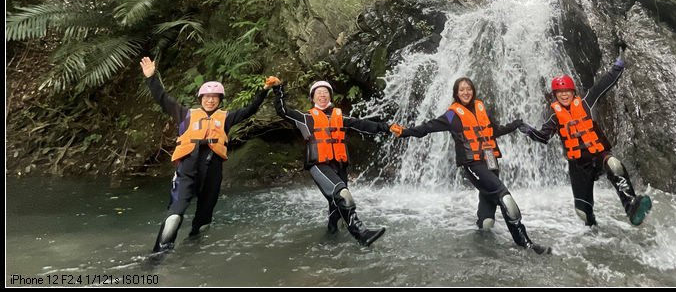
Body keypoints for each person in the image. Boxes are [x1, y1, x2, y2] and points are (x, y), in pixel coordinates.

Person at [391, 77, 551, 255]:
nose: (466, 92)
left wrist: (516, 125)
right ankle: (525, 244)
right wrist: (404, 132)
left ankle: (482, 227)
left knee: (487, 219)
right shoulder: (452, 114)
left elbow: (494, 131)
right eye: (462, 90)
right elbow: (429, 127)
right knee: (505, 198)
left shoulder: (480, 108)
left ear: (473, 91)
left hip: (490, 158)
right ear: (456, 93)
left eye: (468, 89)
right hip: (472, 163)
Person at [140, 56, 275, 252]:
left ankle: (194, 252)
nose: (210, 100)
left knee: (204, 220)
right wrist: (151, 77)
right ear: (200, 99)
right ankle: (158, 254)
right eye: (206, 97)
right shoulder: (185, 114)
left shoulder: (227, 117)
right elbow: (162, 98)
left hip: (213, 170)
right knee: (175, 215)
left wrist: (263, 91)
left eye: (214, 98)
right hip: (187, 168)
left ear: (219, 100)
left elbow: (250, 109)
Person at [519, 51, 652, 227]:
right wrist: (529, 131)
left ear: (573, 92)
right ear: (555, 96)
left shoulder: (586, 102)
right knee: (582, 212)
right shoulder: (554, 117)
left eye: (567, 91)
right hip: (578, 165)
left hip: (598, 154)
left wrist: (617, 68)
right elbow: (543, 137)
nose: (564, 95)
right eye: (560, 92)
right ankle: (594, 232)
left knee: (614, 165)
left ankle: (632, 207)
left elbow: (603, 84)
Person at [269, 76, 395, 246]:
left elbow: (363, 125)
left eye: (326, 92)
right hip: (319, 165)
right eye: (318, 93)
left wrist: (386, 127)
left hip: (339, 165)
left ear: (330, 96)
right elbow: (282, 111)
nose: (322, 95)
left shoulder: (339, 116)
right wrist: (278, 89)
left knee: (336, 207)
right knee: (343, 195)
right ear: (312, 98)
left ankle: (330, 240)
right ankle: (361, 234)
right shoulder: (305, 118)